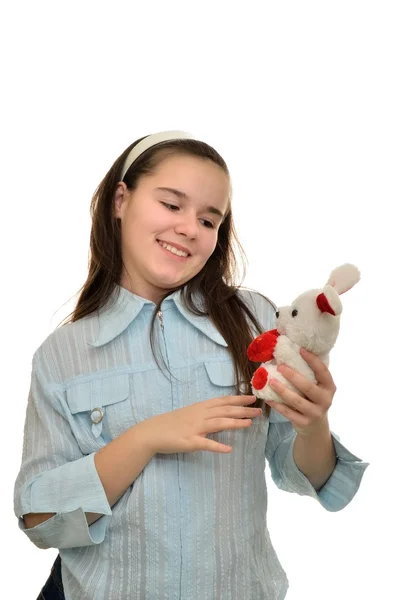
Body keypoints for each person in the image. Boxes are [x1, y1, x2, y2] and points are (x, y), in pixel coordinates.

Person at [14, 130, 369, 600]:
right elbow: (42, 522)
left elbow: (304, 473)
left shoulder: (257, 322)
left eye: (208, 219)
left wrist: (312, 424)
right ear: (121, 199)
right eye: (171, 204)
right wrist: (144, 439)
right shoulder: (62, 354)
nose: (188, 228)